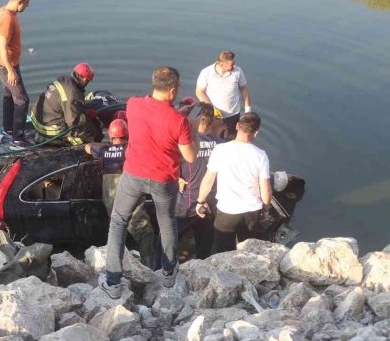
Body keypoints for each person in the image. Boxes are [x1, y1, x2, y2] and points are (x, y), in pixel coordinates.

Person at [99, 66, 197, 299]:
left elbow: (152, 122)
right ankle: (168, 273)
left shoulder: (132, 105)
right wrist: (189, 128)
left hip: (133, 176)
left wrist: (175, 115)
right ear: (173, 90)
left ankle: (112, 283)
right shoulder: (179, 121)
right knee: (167, 223)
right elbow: (190, 155)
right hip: (164, 180)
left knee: (118, 222)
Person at [85, 119, 157, 270]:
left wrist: (103, 146)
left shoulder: (103, 151)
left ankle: (116, 268)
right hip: (128, 198)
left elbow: (88, 147)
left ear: (111, 137)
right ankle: (150, 271)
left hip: (111, 202)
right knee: (146, 233)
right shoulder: (130, 150)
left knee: (118, 232)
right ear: (127, 135)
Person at [195, 112, 271, 253]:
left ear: (237, 126)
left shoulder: (220, 150)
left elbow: (208, 179)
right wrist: (266, 209)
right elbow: (265, 188)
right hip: (251, 212)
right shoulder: (261, 155)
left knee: (223, 252)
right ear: (256, 133)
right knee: (248, 251)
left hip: (227, 211)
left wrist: (200, 201)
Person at [176, 103, 224, 259]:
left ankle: (160, 270)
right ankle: (203, 268)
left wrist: (176, 177)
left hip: (185, 205)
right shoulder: (222, 145)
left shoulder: (184, 144)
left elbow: (161, 164)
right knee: (205, 245)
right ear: (211, 122)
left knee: (168, 240)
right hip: (208, 204)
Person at [0, 0, 34, 150]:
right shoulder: (7, 19)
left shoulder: (3, 11)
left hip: (3, 64)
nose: (27, 6)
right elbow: (2, 47)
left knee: (9, 95)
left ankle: (8, 128)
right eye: (27, 3)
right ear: (20, 1)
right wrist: (10, 70)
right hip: (7, 66)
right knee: (22, 100)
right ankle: (17, 139)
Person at [31, 62, 99, 146]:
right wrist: (85, 116)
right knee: (89, 132)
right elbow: (73, 121)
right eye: (88, 81)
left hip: (36, 119)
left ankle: (43, 135)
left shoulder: (64, 79)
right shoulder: (73, 92)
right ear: (85, 79)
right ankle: (67, 142)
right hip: (49, 127)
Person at [195, 50, 251, 140]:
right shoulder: (206, 72)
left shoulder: (238, 71)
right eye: (231, 64)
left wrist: (248, 111)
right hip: (213, 116)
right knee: (209, 139)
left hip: (232, 116)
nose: (234, 66)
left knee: (230, 141)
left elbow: (244, 89)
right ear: (222, 64)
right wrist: (210, 107)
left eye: (234, 63)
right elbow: (199, 91)